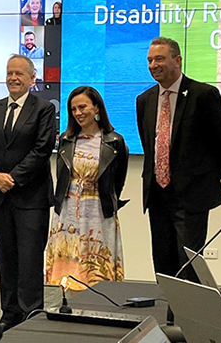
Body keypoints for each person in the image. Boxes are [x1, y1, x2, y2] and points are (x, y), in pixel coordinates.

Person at [136, 37, 221, 281]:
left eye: (159, 58)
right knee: (163, 263)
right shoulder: (144, 100)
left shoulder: (203, 94)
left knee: (189, 266)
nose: (153, 65)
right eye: (149, 60)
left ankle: (191, 318)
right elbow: (149, 145)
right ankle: (170, 318)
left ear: (177, 60)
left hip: (191, 197)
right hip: (157, 196)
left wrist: (202, 179)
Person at [0, 54, 56, 331]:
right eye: (10, 73)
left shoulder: (44, 108)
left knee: (30, 258)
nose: (13, 78)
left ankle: (31, 313)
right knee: (6, 256)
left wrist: (13, 178)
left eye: (19, 73)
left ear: (32, 78)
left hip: (30, 197)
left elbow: (42, 149)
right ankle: (9, 312)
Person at [46, 86, 128, 290]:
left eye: (82, 107)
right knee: (69, 271)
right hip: (68, 213)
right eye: (73, 109)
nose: (78, 113)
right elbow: (62, 176)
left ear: (97, 108)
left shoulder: (115, 141)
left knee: (97, 269)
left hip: (99, 213)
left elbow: (119, 181)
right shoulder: (66, 140)